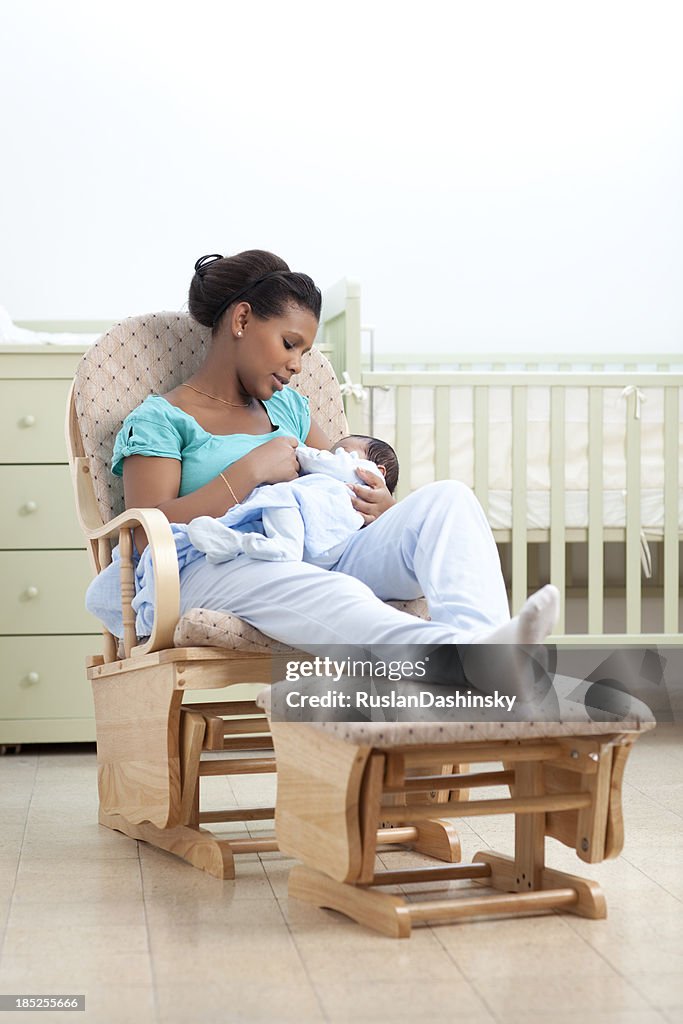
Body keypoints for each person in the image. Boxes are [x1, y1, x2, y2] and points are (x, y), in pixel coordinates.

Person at [86, 249, 559, 698]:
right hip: (212, 565)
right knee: (331, 589)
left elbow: (333, 476)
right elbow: (148, 535)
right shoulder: (161, 419)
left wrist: (380, 508)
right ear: (242, 319)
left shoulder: (288, 407)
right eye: (289, 344)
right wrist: (248, 472)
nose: (296, 366)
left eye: (304, 353)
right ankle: (452, 660)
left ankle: (490, 653)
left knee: (448, 500)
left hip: (319, 549)